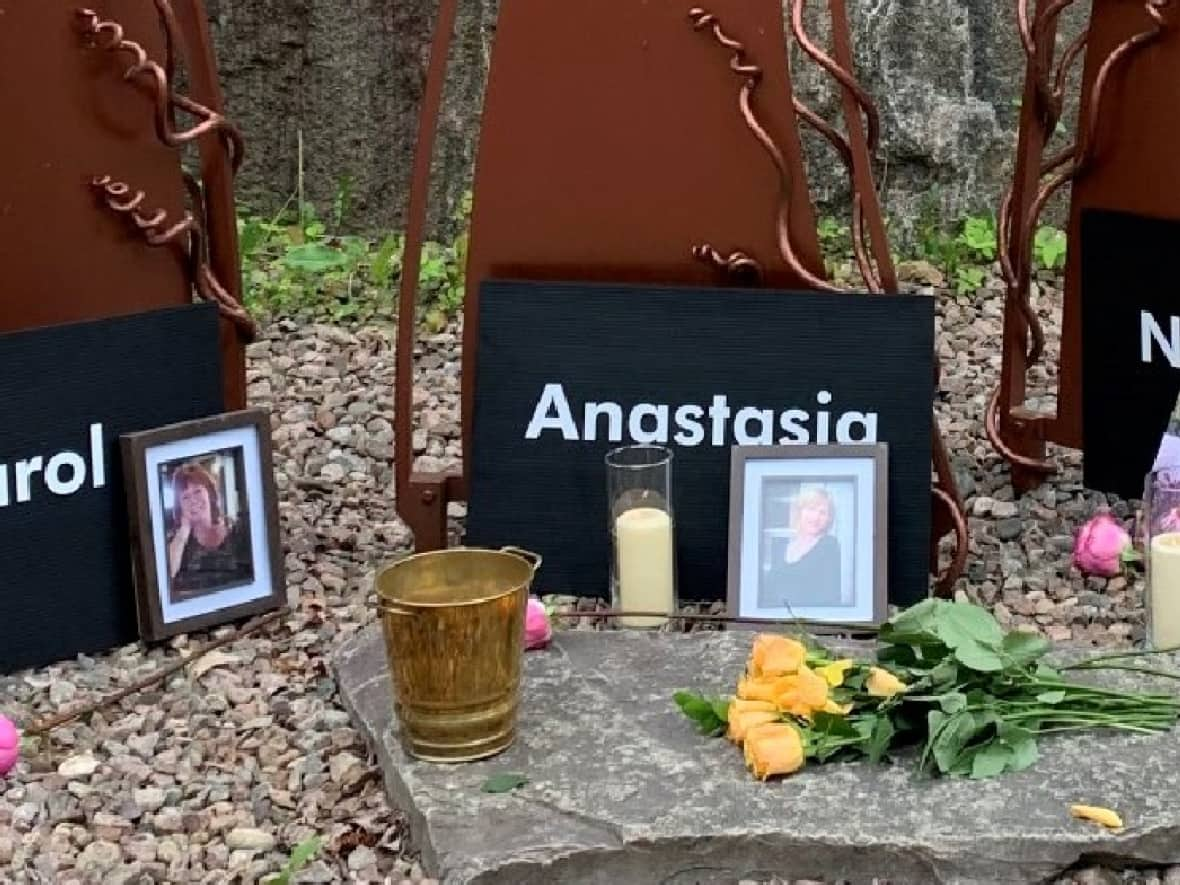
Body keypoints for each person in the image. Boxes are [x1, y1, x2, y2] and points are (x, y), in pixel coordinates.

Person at [165, 461, 253, 601]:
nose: (193, 501)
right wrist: (183, 532)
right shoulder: (174, 541)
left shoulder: (237, 530)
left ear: (210, 493)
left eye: (197, 492)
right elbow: (166, 578)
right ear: (179, 505)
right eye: (185, 497)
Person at [761, 486, 842, 608]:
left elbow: (829, 597)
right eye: (811, 509)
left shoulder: (829, 545)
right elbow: (768, 592)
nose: (815, 517)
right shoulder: (781, 548)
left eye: (822, 512)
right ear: (799, 512)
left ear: (828, 519)